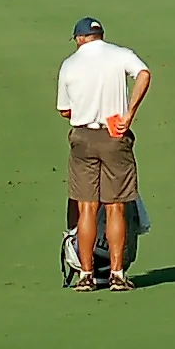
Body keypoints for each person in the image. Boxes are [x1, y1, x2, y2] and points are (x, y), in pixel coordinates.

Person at [57, 17, 151, 291]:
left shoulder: (70, 63)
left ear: (79, 38)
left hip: (83, 137)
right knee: (115, 207)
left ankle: (86, 275)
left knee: (87, 207)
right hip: (114, 135)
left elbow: (64, 110)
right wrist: (129, 113)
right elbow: (144, 73)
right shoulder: (120, 54)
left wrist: (84, 109)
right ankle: (117, 275)